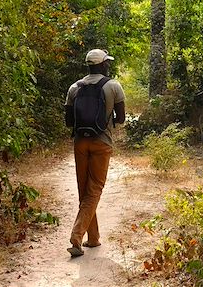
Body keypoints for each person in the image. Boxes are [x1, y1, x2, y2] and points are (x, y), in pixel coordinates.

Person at [64, 49, 126, 257]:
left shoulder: (74, 88)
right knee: (95, 190)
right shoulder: (113, 86)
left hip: (80, 143)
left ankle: (93, 238)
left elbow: (68, 122)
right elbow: (121, 118)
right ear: (102, 65)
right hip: (101, 143)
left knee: (85, 191)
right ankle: (76, 237)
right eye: (106, 63)